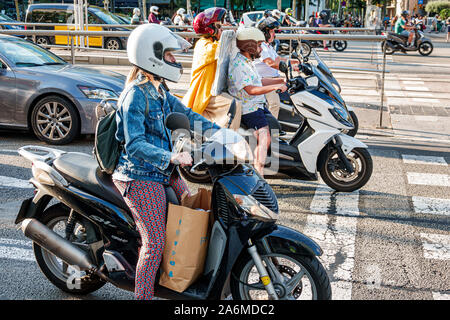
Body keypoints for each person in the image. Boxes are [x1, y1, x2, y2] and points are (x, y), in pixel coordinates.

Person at [113, 24, 220, 300]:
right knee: (156, 241)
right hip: (139, 176)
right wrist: (171, 156)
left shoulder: (159, 90)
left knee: (191, 218)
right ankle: (143, 296)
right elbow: (134, 144)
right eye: (170, 55)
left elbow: (189, 115)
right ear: (153, 55)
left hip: (164, 172)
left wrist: (226, 135)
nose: (175, 60)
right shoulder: (135, 95)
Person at [227, 27, 287, 177]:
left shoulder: (247, 61)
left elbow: (258, 81)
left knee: (275, 127)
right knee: (265, 136)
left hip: (258, 105)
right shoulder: (239, 65)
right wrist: (276, 86)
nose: (261, 48)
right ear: (250, 46)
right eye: (259, 45)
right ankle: (258, 173)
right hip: (249, 108)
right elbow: (251, 89)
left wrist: (282, 79)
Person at [182, 7, 241, 130]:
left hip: (212, 90)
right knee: (234, 104)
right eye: (219, 27)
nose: (221, 29)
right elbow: (220, 48)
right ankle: (227, 139)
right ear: (210, 29)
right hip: (203, 94)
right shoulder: (203, 45)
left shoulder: (210, 42)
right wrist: (231, 32)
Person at [255, 17, 300, 118]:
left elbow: (279, 59)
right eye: (272, 31)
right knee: (274, 103)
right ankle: (272, 129)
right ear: (265, 33)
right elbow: (271, 63)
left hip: (275, 78)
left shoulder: (268, 46)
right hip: (266, 81)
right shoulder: (261, 46)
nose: (274, 34)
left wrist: (296, 62)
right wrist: (287, 66)